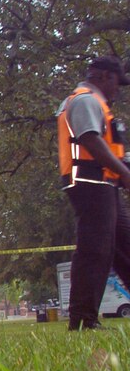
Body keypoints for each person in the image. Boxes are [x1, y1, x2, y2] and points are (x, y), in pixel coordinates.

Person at [57, 55, 130, 330]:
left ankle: (85, 319)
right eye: (117, 83)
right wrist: (124, 174)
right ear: (104, 77)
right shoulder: (86, 99)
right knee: (95, 250)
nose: (118, 90)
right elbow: (89, 138)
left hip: (106, 185)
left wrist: (122, 171)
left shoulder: (96, 103)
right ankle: (83, 321)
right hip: (90, 184)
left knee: (124, 247)